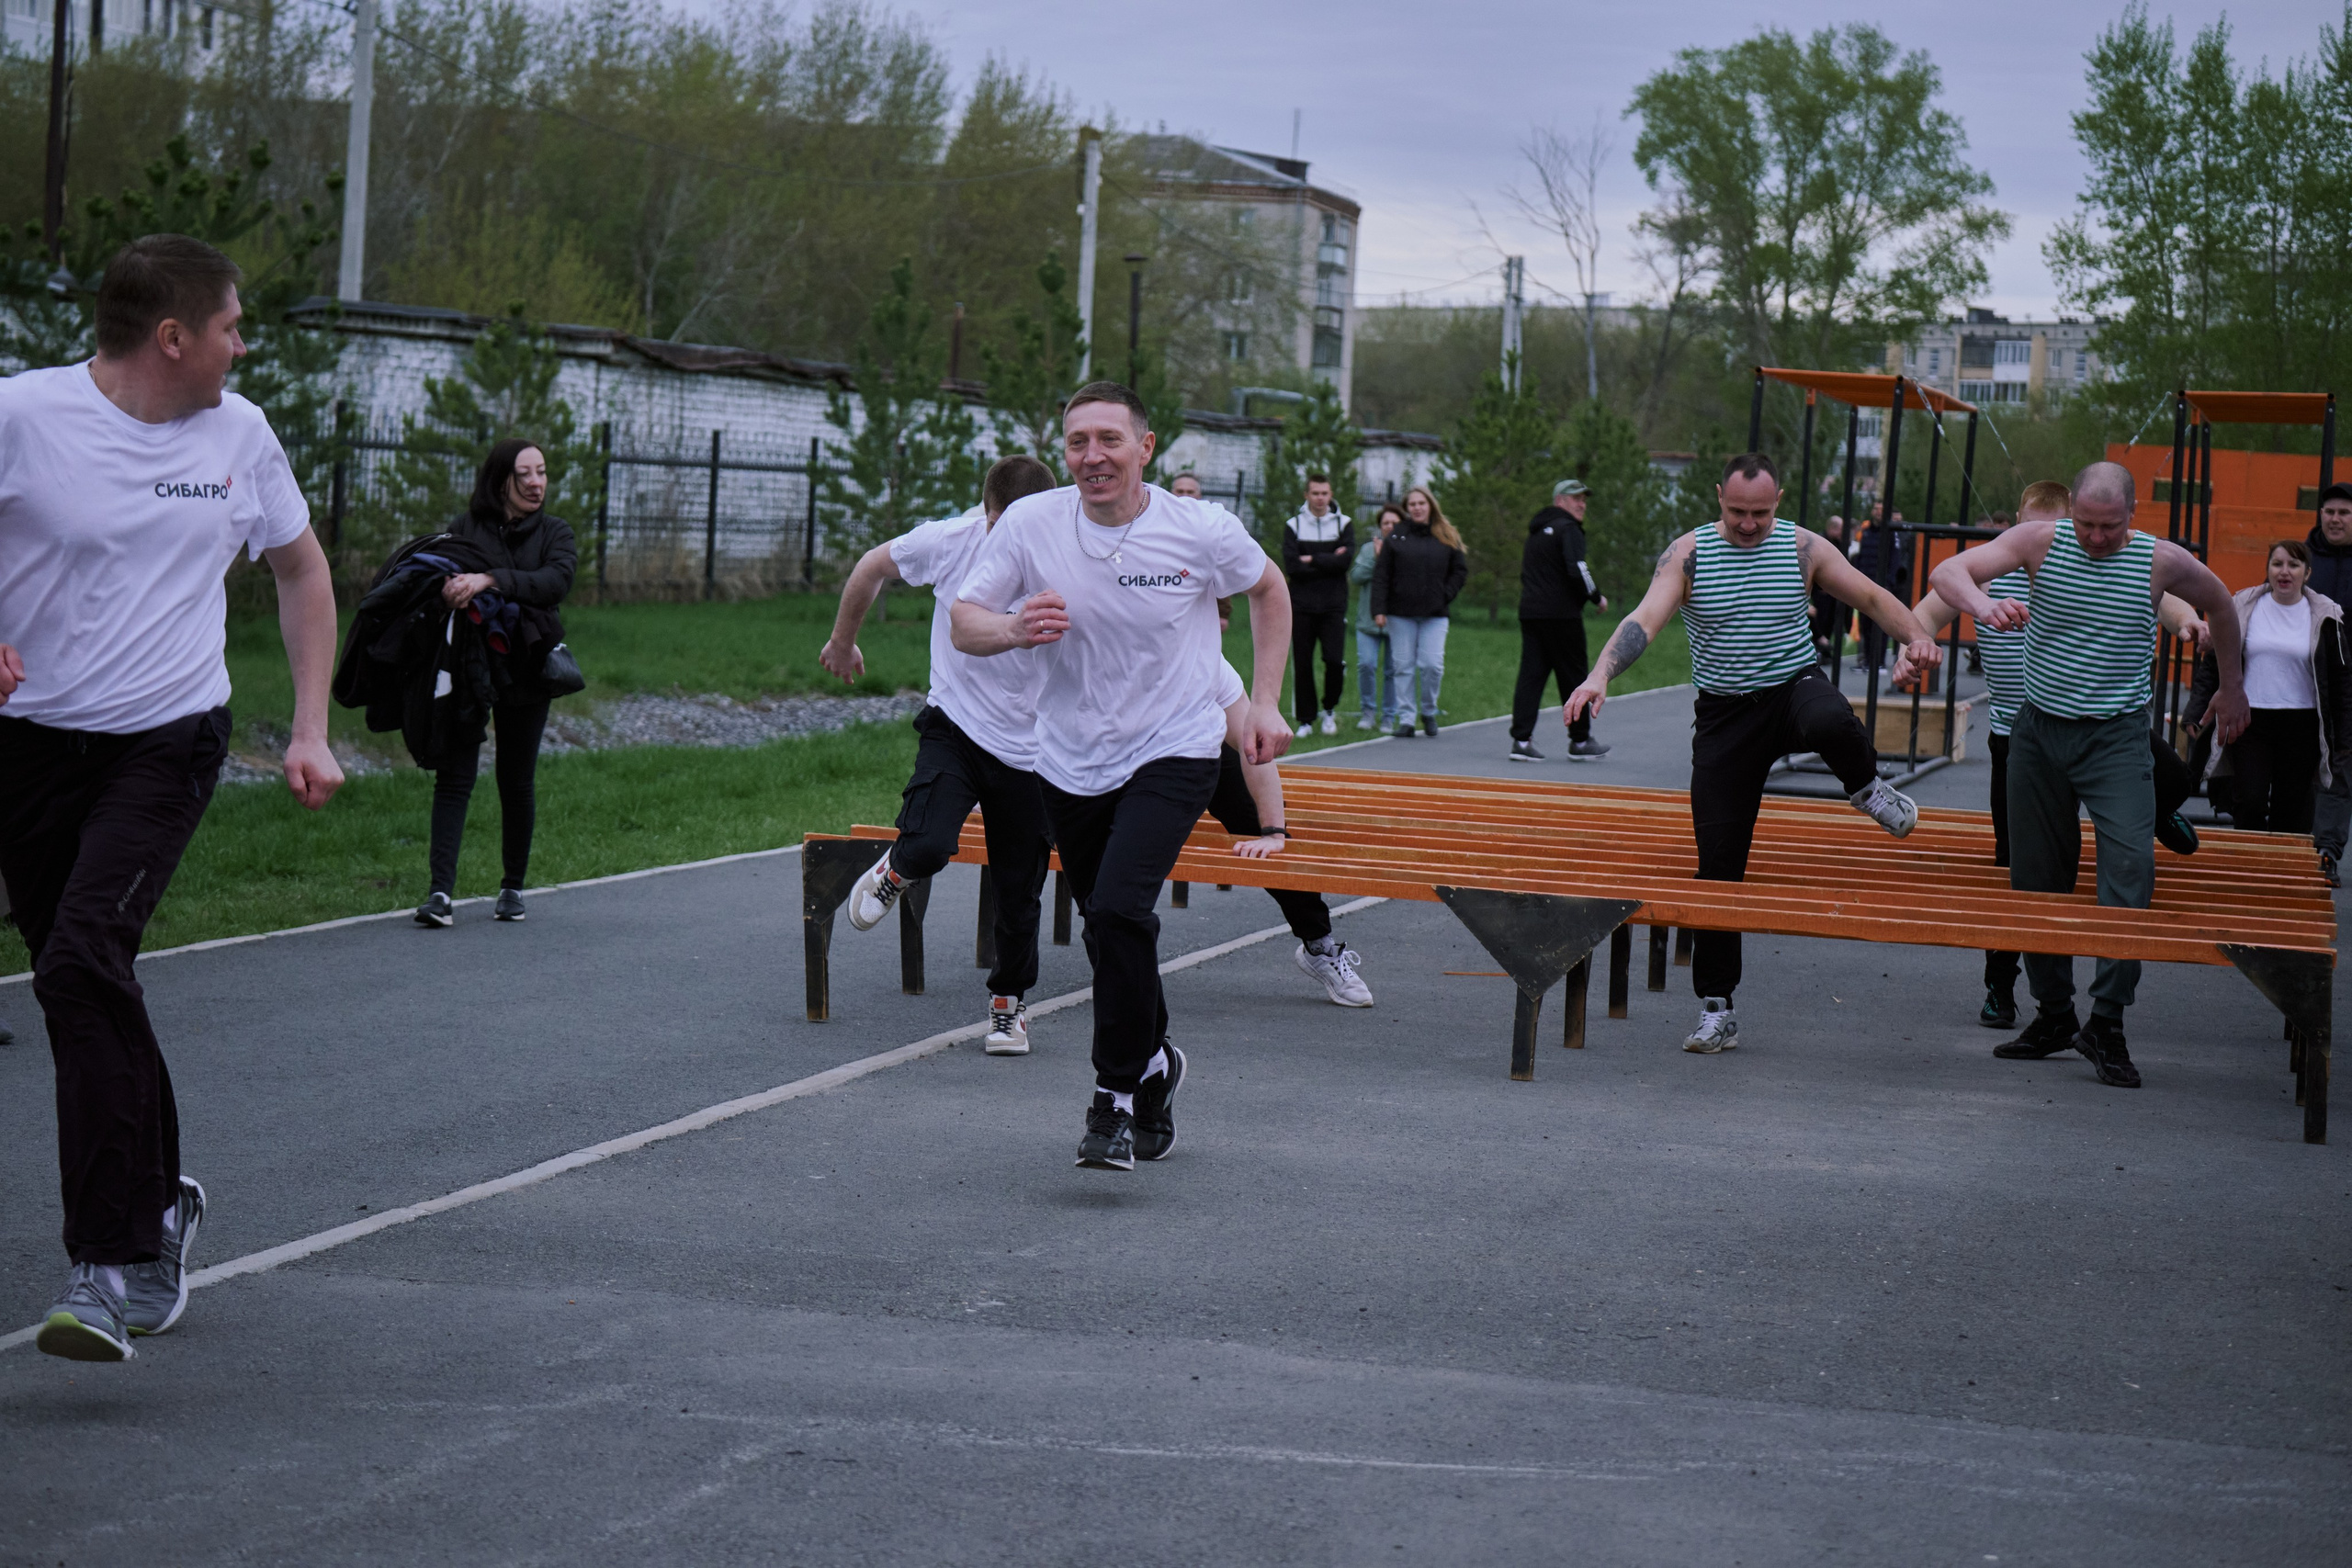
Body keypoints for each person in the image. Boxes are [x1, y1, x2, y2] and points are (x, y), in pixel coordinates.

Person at [0, 233, 345, 1362]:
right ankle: (158, 1204)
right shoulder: (25, 415)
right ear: (172, 337)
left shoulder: (238, 436)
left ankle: (107, 1266)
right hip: (34, 747)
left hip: (167, 739)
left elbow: (301, 571)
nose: (243, 345)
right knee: (83, 979)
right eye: (234, 326)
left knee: (78, 959)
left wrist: (307, 726)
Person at [952, 381, 1290, 1171]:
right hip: (1069, 759)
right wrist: (1011, 628)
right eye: (1077, 442)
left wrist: (1266, 703)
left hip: (1176, 747)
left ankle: (1113, 1098)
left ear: (1145, 446)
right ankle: (1155, 1062)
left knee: (1120, 906)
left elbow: (1270, 588)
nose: (1092, 456)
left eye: (1109, 439)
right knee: (1111, 928)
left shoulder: (1199, 529)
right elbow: (966, 620)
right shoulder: (1035, 522)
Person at [1565, 452, 1940, 1055]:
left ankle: (1868, 788)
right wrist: (1601, 674)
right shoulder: (1688, 553)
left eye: (1760, 513)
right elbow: (1646, 617)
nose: (1748, 524)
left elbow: (1870, 595)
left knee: (1830, 715)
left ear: (1779, 500)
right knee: (1718, 865)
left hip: (1792, 689)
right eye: (1737, 512)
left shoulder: (1803, 546)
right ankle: (1718, 1008)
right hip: (1726, 716)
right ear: (1719, 498)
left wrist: (1918, 639)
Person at [1928, 461, 2246, 1090]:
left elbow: (2222, 603)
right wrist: (1982, 605)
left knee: (2130, 870)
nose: (2095, 538)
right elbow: (1948, 572)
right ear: (2071, 511)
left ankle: (2106, 1022)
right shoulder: (2041, 541)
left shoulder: (2161, 560)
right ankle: (2052, 1014)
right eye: (2086, 525)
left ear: (2132, 515)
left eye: (2109, 527)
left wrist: (2233, 687)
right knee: (2037, 878)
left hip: (2115, 737)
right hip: (2039, 733)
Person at [822, 455, 1059, 1054]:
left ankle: (1008, 1007)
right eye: (1007, 528)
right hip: (955, 724)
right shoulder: (949, 540)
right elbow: (872, 566)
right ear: (988, 514)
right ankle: (896, 869)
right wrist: (843, 640)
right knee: (929, 842)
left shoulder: (1065, 555)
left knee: (1018, 883)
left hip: (1031, 748)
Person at [411, 440, 577, 928]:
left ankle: (512, 888)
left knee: (515, 777)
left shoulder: (555, 533)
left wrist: (487, 580)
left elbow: (554, 583)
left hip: (526, 669)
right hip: (469, 665)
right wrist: (448, 588)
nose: (535, 482)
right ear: (500, 480)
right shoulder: (465, 529)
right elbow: (442, 574)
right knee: (454, 774)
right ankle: (440, 894)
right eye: (523, 474)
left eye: (542, 472)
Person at [1207, 659, 1373, 1006]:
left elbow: (1254, 748)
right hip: (1114, 755)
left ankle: (1318, 944)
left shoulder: (1204, 660)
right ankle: (1111, 946)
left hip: (1198, 747)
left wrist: (1272, 831)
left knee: (1263, 833)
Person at [2185, 539, 2349, 840]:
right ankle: (2248, 866)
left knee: (2292, 810)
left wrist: (2344, 737)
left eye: (2294, 565)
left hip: (2302, 725)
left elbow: (2340, 681)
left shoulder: (2326, 615)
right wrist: (2195, 712)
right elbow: (2213, 664)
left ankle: (2285, 876)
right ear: (2268, 569)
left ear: (2307, 573)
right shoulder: (2243, 606)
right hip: (2250, 720)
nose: (2284, 572)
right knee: (2249, 800)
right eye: (2277, 564)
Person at [1510, 478, 1611, 763]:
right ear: (1560, 502)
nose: (1582, 504)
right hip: (1562, 616)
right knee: (1574, 675)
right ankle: (1580, 741)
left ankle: (1521, 739)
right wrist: (1597, 597)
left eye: (1583, 499)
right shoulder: (1569, 529)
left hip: (1531, 613)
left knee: (1531, 676)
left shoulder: (1537, 531)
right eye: (1575, 498)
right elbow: (1578, 569)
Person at [1369, 486, 1467, 739]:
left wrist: (1445, 594)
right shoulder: (1396, 537)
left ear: (1430, 505)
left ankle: (1429, 711)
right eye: (1412, 504)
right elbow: (1382, 575)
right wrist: (1378, 609)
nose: (1417, 508)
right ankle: (1407, 719)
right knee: (1403, 666)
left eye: (1421, 503)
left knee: (1432, 665)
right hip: (1400, 614)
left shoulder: (1446, 534)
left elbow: (1459, 570)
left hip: (1435, 614)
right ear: (1407, 509)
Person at [2302, 483, 2352, 883]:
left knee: (2339, 766)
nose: (2335, 519)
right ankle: (2313, 851)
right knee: (2314, 768)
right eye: (2330, 511)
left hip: (2349, 688)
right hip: (2308, 682)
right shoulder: (2300, 561)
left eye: (2345, 513)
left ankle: (2325, 850)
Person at [1282, 473, 1355, 738]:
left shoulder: (1344, 524)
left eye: (1325, 493)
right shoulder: (1294, 525)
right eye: (1315, 493)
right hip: (1301, 605)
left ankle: (1330, 710)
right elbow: (1293, 567)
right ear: (1307, 495)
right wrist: (1327, 561)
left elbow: (1344, 563)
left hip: (1334, 606)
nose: (1320, 498)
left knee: (1334, 660)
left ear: (1331, 494)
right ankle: (1305, 719)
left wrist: (1311, 558)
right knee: (1303, 662)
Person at [1350, 505, 1400, 731]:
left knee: (1393, 670)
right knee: (1366, 665)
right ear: (1380, 527)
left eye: (1394, 523)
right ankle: (1368, 712)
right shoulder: (1369, 549)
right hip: (1367, 621)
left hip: (1398, 622)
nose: (1389, 526)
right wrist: (1377, 559)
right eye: (1385, 523)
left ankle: (1389, 716)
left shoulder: (1407, 550)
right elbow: (1356, 576)